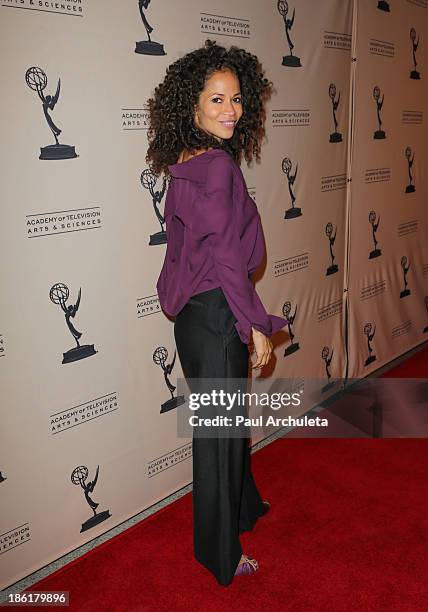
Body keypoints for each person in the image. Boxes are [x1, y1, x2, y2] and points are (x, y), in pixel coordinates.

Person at [146, 39, 288, 586]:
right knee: (219, 435)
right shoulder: (217, 168)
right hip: (219, 314)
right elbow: (229, 261)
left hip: (196, 318)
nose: (231, 110)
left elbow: (180, 250)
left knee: (227, 426)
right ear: (194, 107)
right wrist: (254, 325)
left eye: (235, 99)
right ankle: (220, 554)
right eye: (217, 100)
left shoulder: (185, 163)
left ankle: (244, 507)